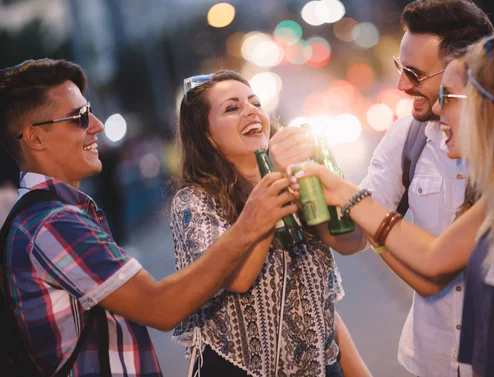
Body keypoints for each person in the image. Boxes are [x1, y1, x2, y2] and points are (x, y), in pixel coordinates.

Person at [291, 32, 494, 377]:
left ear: (489, 107)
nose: (438, 109)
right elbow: (432, 258)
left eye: (447, 97)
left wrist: (347, 196)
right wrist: (340, 193)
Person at [0, 59, 299, 376]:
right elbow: (161, 306)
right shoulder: (52, 225)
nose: (97, 125)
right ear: (35, 138)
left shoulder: (55, 216)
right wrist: (249, 224)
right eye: (80, 117)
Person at [271, 1, 493, 376]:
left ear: (466, 68)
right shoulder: (407, 137)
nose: (402, 85)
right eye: (399, 68)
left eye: (415, 73)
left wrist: (349, 197)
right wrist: (308, 186)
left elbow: (435, 267)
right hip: (433, 360)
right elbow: (352, 236)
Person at [169, 70, 370, 377]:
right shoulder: (194, 203)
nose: (251, 111)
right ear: (207, 135)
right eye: (232, 108)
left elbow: (350, 244)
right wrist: (272, 176)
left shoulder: (297, 175)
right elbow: (238, 279)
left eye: (255, 102)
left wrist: (321, 182)